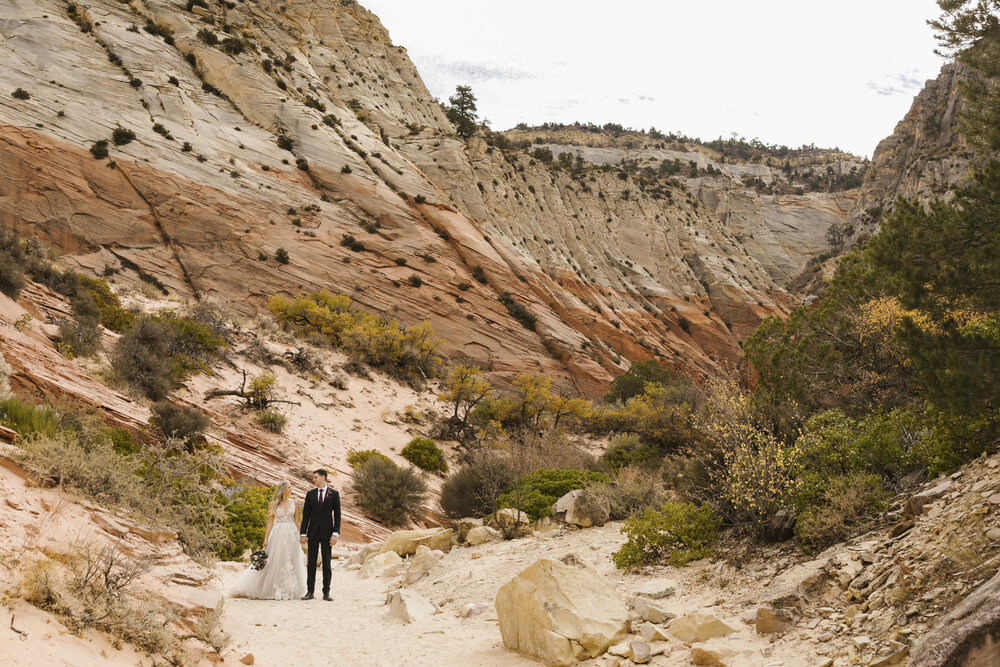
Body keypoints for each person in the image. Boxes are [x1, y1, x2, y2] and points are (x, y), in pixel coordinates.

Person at [228, 482, 307, 600]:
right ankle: (271, 588)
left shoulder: (294, 503)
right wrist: (265, 539)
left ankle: (292, 589)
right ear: (283, 489)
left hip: (292, 534)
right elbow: (270, 522)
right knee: (274, 560)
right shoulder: (273, 504)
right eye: (289, 487)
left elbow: (297, 520)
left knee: (293, 559)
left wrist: (302, 535)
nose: (291, 489)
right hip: (277, 534)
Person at [300, 469, 341, 601]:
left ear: (323, 477)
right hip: (312, 533)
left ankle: (326, 593)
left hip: (327, 533)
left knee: (327, 563)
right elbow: (305, 515)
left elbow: (338, 515)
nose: (314, 479)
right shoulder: (310, 494)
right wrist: (303, 533)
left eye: (315, 477)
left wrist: (335, 533)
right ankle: (310, 592)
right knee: (311, 562)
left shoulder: (334, 494)